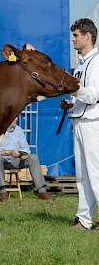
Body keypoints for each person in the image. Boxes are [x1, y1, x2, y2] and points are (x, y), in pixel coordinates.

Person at [61, 18, 99, 230]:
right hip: (79, 121)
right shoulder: (81, 63)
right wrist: (69, 101)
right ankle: (84, 219)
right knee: (82, 174)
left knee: (96, 172)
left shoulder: (97, 62)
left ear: (88, 36)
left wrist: (73, 88)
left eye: (76, 35)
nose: (73, 39)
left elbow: (93, 95)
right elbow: (80, 95)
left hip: (94, 122)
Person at [0, 118, 51, 202]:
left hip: (17, 160)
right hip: (2, 160)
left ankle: (42, 191)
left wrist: (22, 154)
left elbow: (26, 148)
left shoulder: (18, 130)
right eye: (14, 117)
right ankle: (2, 191)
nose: (17, 119)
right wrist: (8, 152)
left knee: (33, 157)